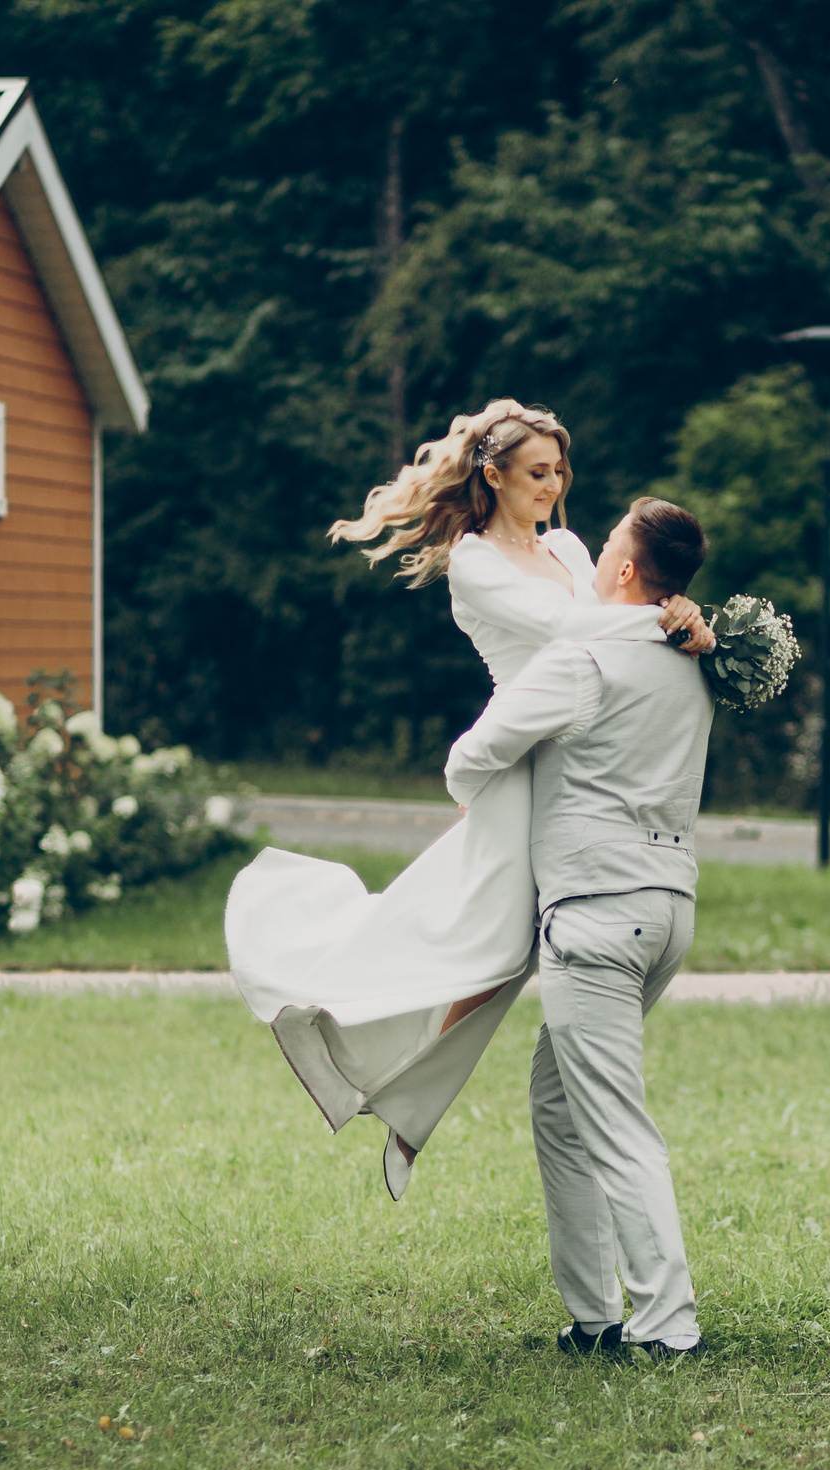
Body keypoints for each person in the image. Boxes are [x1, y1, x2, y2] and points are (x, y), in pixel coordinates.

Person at [225, 401, 711, 1198]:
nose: (553, 488)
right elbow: (574, 633)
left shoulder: (564, 544)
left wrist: (675, 610)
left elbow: (610, 619)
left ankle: (408, 1105)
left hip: (572, 766)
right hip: (514, 761)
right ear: (493, 475)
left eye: (559, 472)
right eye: (537, 474)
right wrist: (662, 616)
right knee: (484, 955)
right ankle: (368, 1059)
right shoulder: (475, 560)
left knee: (497, 958)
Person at [443, 497, 714, 1360]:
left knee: (615, 1122)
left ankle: (669, 1326)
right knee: (560, 1106)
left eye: (605, 548)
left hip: (596, 915)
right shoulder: (696, 658)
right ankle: (593, 1316)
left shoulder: (583, 657)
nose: (590, 557)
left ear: (629, 570)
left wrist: (495, 811)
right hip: (668, 908)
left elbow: (472, 754)